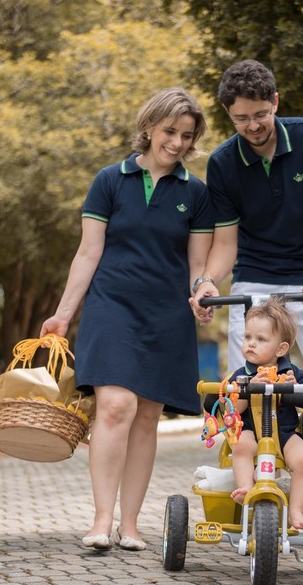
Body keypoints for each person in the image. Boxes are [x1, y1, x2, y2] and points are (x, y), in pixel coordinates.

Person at [190, 59, 303, 547]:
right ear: (229, 115)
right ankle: (252, 492)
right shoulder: (222, 163)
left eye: (260, 114)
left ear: (276, 103)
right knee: (239, 399)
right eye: (241, 118)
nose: (253, 126)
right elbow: (226, 245)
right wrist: (206, 283)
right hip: (256, 285)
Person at [41, 88, 213, 552]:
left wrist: (205, 290)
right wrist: (63, 314)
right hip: (111, 306)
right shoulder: (109, 181)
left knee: (147, 416)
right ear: (150, 126)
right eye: (169, 131)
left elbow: (198, 266)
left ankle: (131, 524)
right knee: (116, 405)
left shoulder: (195, 193)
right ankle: (101, 520)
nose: (177, 143)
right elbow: (87, 252)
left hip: (166, 314)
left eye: (186, 135)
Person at [225, 300, 303, 531]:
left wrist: (294, 388)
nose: (251, 344)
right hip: (250, 430)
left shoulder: (292, 373)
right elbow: (234, 409)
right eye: (247, 338)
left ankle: (295, 510)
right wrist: (246, 388)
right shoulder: (241, 375)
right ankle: (246, 490)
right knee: (242, 446)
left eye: (261, 339)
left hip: (283, 433)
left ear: (281, 349)